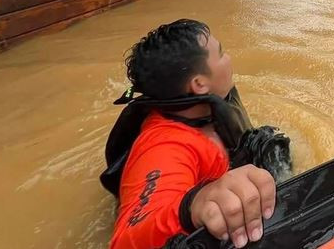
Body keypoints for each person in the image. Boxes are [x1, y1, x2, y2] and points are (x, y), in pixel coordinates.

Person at [104, 19, 289, 249]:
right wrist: (191, 207)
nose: (229, 58)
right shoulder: (163, 146)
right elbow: (124, 241)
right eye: (221, 53)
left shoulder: (206, 108)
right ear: (200, 84)